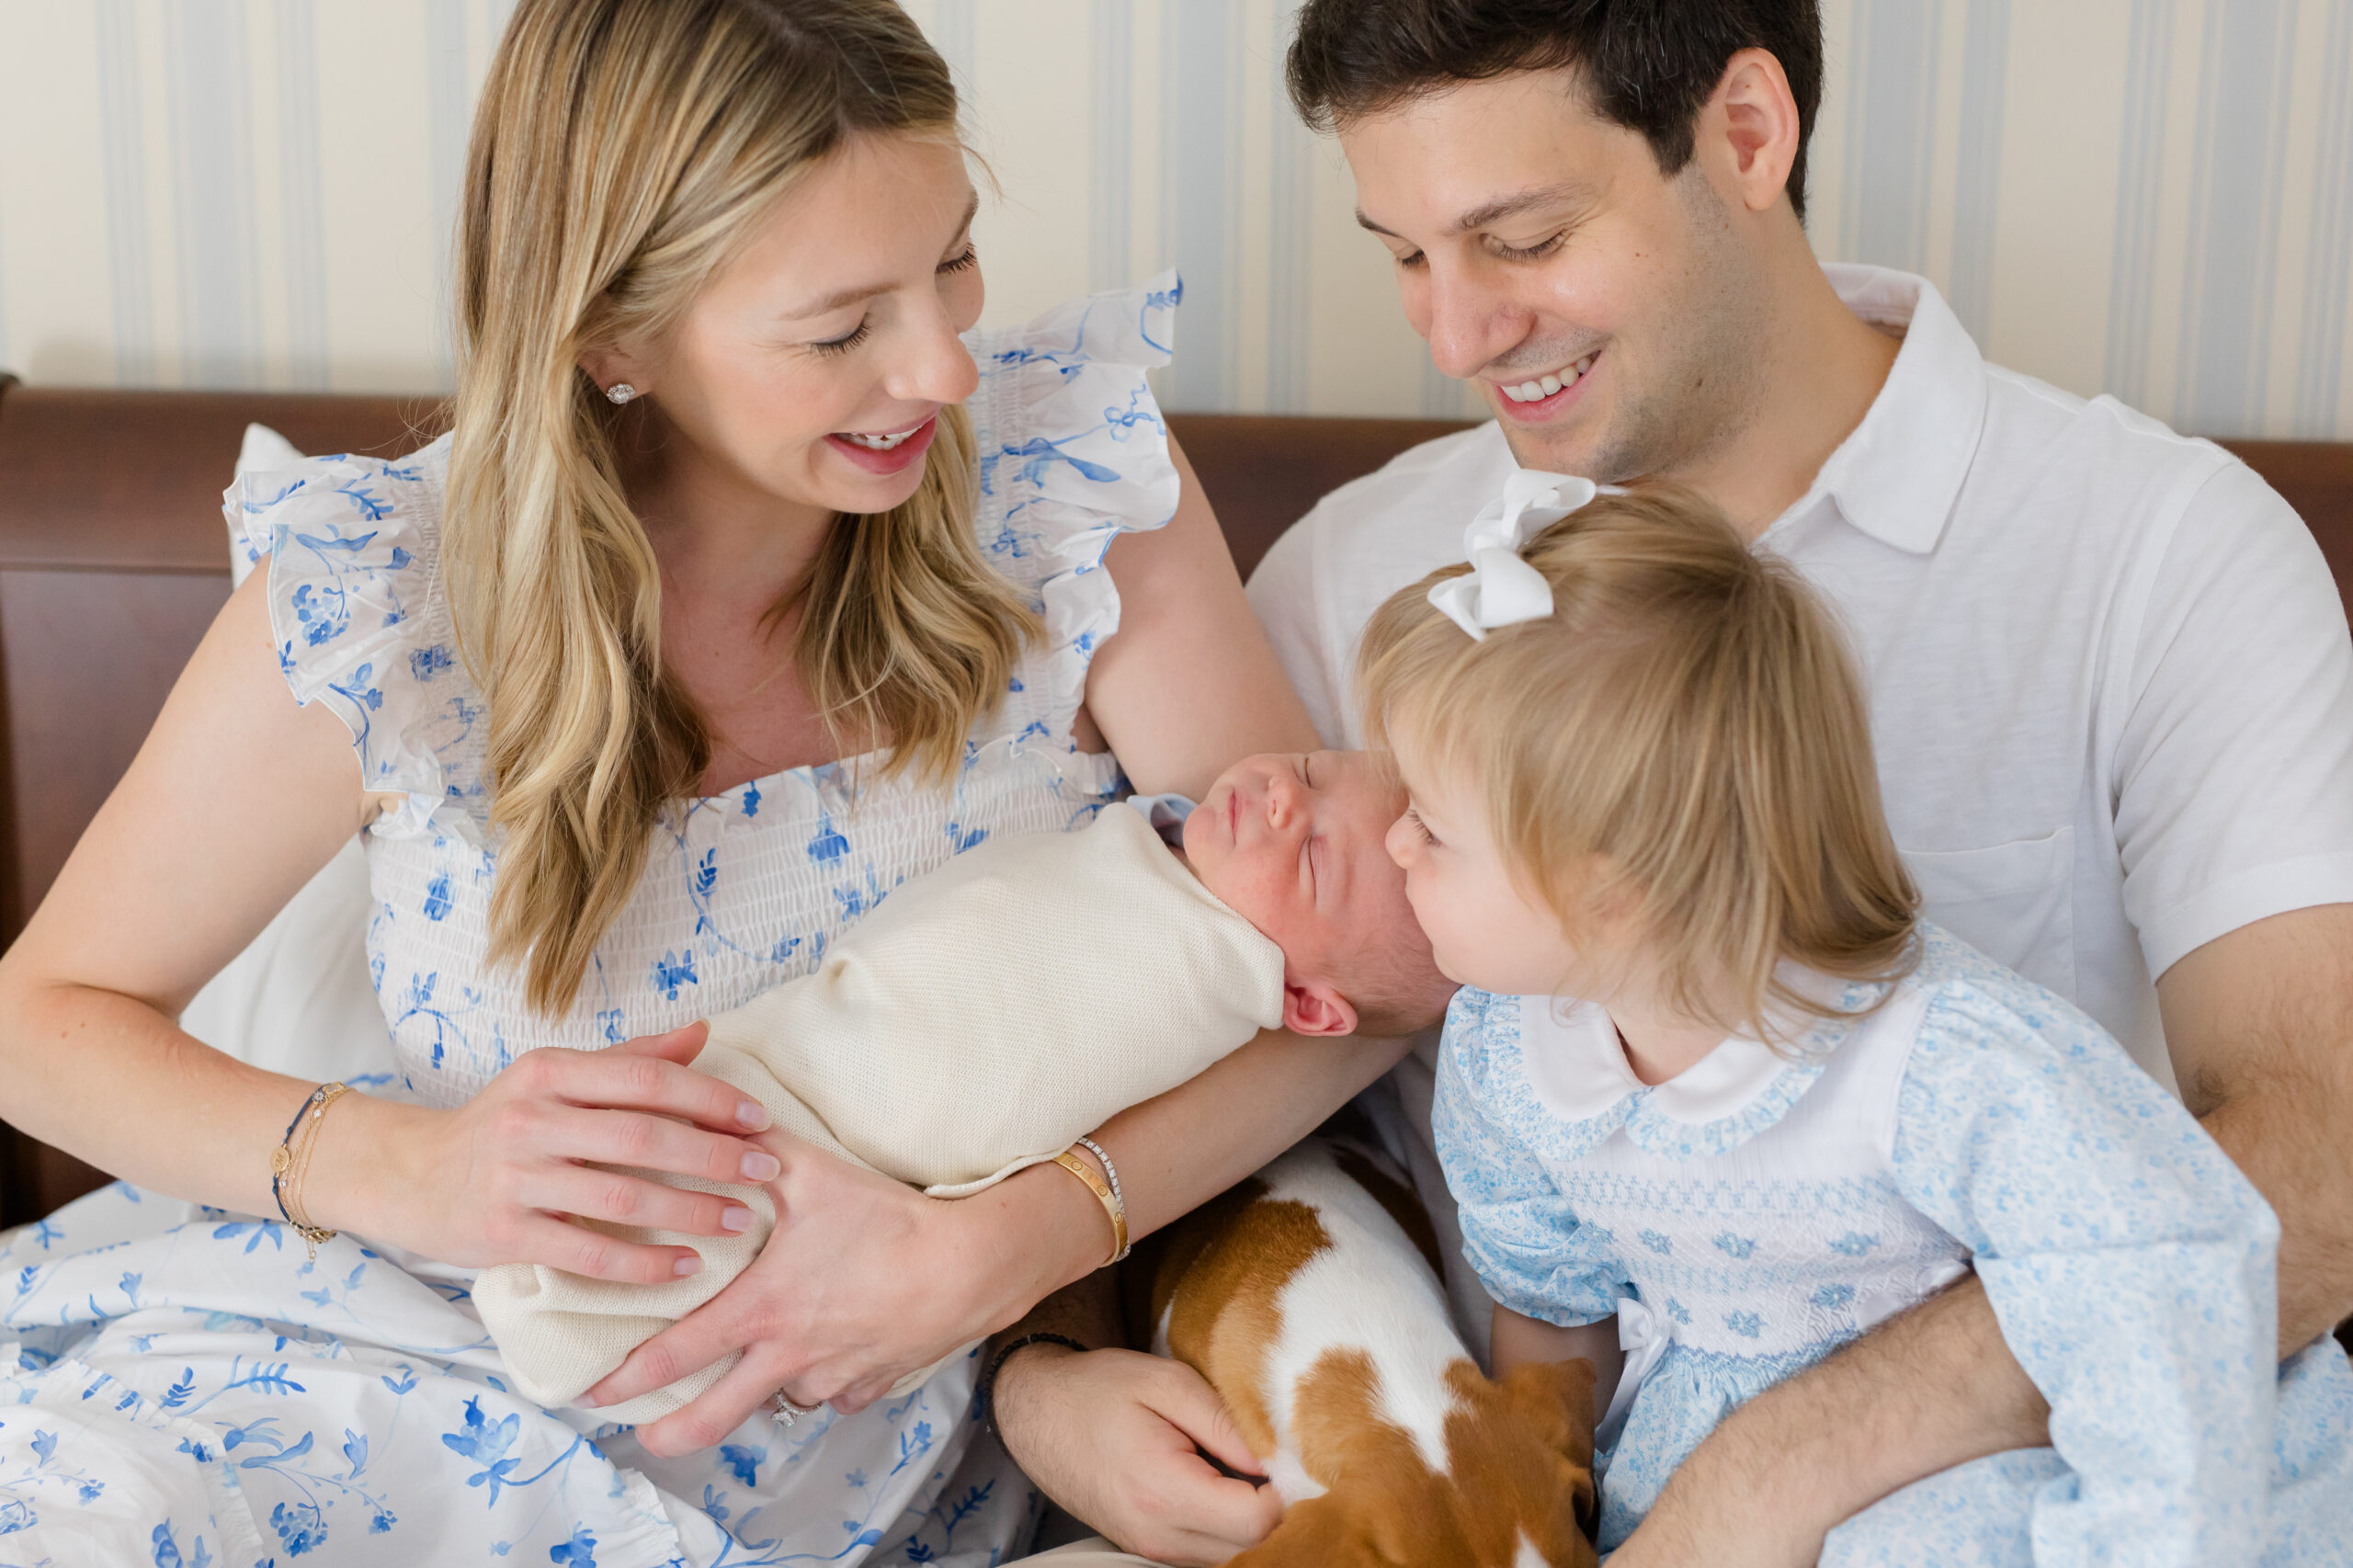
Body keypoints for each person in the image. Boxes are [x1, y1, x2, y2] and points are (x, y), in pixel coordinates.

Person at [0, 3, 1404, 1562]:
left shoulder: (1072, 488)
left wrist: (1013, 1252)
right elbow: (39, 1023)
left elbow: (1368, 972)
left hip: (865, 1441)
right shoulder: (393, 596)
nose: (940, 364)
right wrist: (409, 1167)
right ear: (615, 335)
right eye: (839, 325)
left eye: (952, 256)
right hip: (383, 1372)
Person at [1094, 1, 2353, 1562]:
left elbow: (2324, 1163)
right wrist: (1048, 1375)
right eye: (1406, 255)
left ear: (1748, 134)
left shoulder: (2156, 550)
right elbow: (1181, 1056)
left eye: (1524, 236)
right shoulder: (1373, 581)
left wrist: (1771, 1471)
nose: (1454, 334)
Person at [1360, 475, 2350, 1565]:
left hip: (2020, 1445)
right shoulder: (1511, 1051)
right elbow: (1552, 1325)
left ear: (1611, 892)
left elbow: (2152, 1300)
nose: (1394, 844)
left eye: (1431, 826)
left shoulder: (1938, 1063)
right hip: (1717, 1446)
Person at [477, 748, 1454, 1426]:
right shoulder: (1156, 848)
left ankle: (588, 1293)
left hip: (838, 1146)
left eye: (1317, 852)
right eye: (1316, 768)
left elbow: (985, 1085)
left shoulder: (1196, 971)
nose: (1285, 797)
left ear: (1311, 1008)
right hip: (769, 1057)